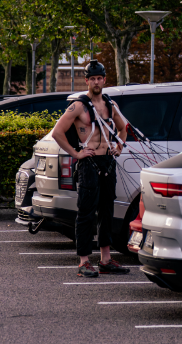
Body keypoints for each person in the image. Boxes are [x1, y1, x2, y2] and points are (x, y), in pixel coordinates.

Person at [50, 60, 131, 278]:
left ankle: (106, 259)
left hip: (108, 162)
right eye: (92, 78)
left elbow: (123, 129)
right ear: (86, 81)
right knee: (86, 213)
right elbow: (57, 132)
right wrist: (76, 154)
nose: (96, 82)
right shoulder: (79, 106)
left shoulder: (111, 104)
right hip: (89, 163)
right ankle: (84, 261)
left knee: (107, 211)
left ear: (104, 80)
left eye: (99, 78)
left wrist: (118, 147)